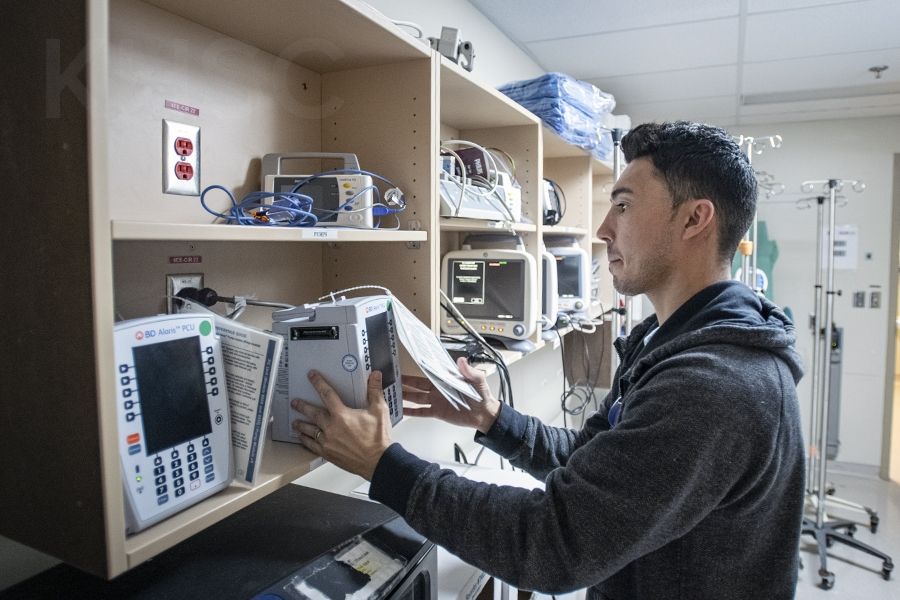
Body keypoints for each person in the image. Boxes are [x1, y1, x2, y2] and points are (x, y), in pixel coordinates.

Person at [292, 121, 806, 599]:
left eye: (623, 206)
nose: (604, 229)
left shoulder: (712, 384)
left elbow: (553, 543)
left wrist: (383, 467)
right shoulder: (671, 341)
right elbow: (594, 463)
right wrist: (492, 419)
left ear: (695, 218)